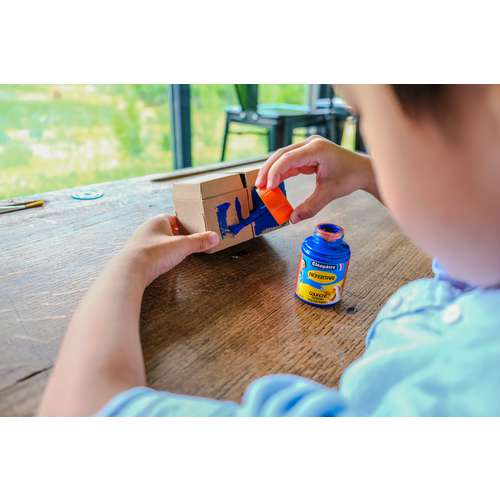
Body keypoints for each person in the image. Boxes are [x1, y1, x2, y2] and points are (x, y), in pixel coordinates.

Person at [38, 85, 500, 416]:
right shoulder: (482, 249)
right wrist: (367, 171)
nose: (368, 142)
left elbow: (78, 412)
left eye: (365, 120)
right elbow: (469, 206)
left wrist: (132, 263)